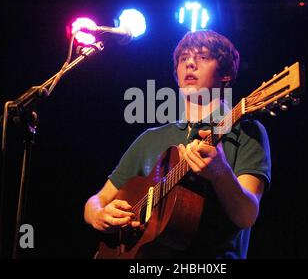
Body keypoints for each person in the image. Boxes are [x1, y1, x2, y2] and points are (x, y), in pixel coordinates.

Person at [84, 30, 271, 259]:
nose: (190, 63)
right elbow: (97, 200)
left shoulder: (246, 131)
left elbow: (246, 216)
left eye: (202, 57)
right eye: (183, 59)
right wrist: (98, 216)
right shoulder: (150, 139)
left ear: (225, 74)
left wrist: (221, 173)